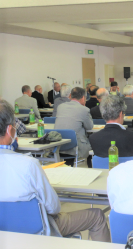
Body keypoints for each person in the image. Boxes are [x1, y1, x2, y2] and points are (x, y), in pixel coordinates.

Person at [0, 99, 110, 241]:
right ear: (10, 130)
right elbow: (53, 207)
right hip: (39, 230)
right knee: (97, 216)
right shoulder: (28, 165)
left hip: (5, 234)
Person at [55, 87, 93, 167]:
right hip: (75, 145)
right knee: (93, 144)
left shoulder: (60, 107)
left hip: (59, 144)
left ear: (70, 96)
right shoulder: (84, 109)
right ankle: (91, 168)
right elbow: (89, 127)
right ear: (83, 98)